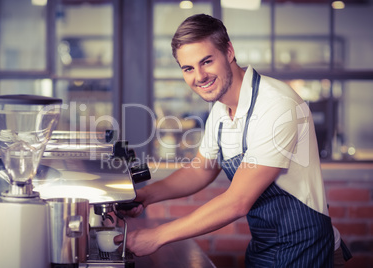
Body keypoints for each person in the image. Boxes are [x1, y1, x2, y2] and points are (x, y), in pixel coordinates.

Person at [116, 14, 352, 267]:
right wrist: (145, 195)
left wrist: (157, 236)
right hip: (265, 246)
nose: (200, 76)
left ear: (229, 51)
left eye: (206, 61)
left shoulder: (276, 105)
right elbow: (202, 170)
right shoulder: (220, 109)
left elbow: (238, 201)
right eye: (188, 68)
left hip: (307, 248)